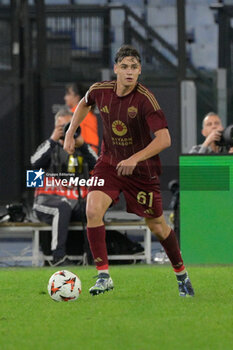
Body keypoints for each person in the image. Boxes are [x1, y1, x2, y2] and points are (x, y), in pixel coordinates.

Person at [64, 45, 194, 297]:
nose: (129, 71)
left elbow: (164, 139)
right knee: (92, 209)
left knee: (156, 225)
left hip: (141, 170)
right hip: (109, 163)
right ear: (115, 69)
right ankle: (103, 276)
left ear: (140, 70)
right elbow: (84, 103)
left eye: (134, 67)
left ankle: (181, 276)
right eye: (124, 66)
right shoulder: (100, 91)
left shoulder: (146, 99)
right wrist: (70, 131)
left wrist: (135, 158)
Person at [31, 107, 97, 266]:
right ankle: (58, 257)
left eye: (70, 126)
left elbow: (98, 164)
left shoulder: (80, 149)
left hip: (73, 202)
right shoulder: (48, 146)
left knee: (93, 208)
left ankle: (92, 256)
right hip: (46, 202)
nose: (67, 131)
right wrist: (53, 139)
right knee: (63, 206)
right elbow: (34, 164)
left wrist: (83, 145)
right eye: (63, 127)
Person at [64, 83, 99, 154]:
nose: (65, 98)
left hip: (82, 153)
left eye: (68, 94)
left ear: (77, 97)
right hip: (92, 152)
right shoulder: (90, 114)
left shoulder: (74, 114)